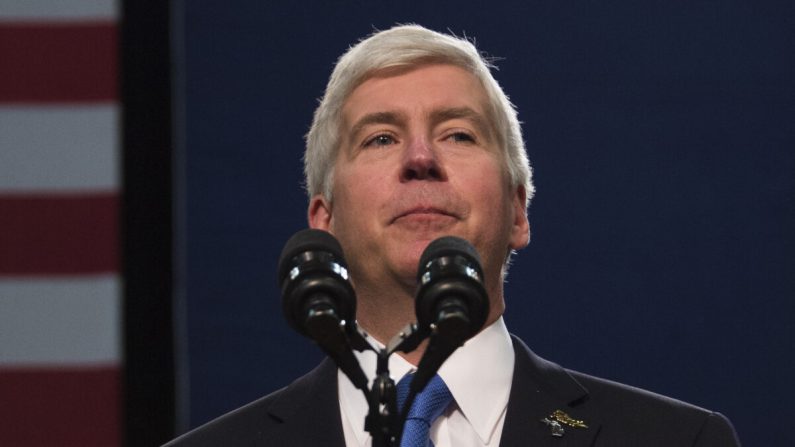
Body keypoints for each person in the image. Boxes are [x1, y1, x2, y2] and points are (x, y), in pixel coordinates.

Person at [165, 24, 741, 446]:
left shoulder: (678, 440)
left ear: (518, 211)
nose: (420, 158)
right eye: (380, 139)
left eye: (459, 135)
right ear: (326, 223)